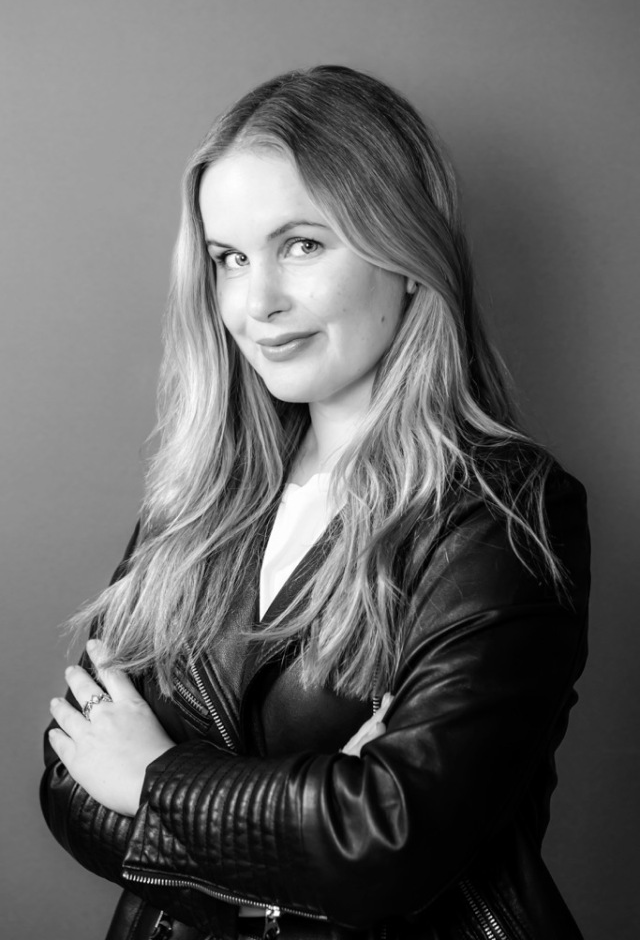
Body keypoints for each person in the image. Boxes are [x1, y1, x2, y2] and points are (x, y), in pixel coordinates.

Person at [40, 65, 590, 940]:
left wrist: (152, 777)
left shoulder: (504, 512)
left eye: (301, 245)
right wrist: (308, 825)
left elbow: (392, 842)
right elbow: (70, 780)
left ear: (407, 254)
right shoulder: (199, 498)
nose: (257, 303)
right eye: (230, 259)